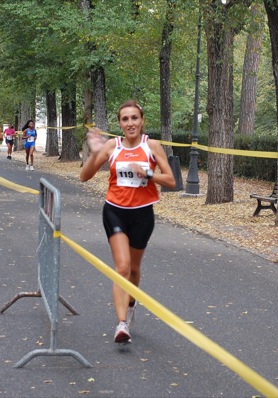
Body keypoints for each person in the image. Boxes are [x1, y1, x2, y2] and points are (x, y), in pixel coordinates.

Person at [79, 100, 175, 344]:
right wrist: (94, 153)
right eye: (125, 119)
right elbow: (84, 176)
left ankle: (131, 305)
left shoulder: (151, 146)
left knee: (133, 269)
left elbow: (172, 181)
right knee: (121, 267)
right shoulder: (112, 146)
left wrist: (149, 173)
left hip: (143, 214)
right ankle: (122, 324)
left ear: (142, 121)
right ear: (120, 124)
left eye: (134, 118)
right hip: (115, 211)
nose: (130, 123)